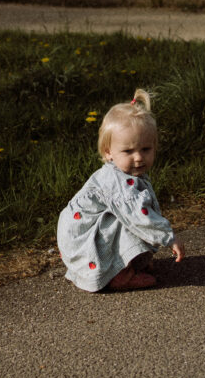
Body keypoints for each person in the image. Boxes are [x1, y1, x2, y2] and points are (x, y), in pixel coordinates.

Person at [57, 89, 184, 292]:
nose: (138, 158)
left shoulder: (128, 174)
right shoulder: (116, 181)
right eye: (128, 151)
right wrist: (169, 237)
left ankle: (130, 260)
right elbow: (140, 217)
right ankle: (119, 275)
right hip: (83, 241)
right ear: (108, 152)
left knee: (129, 214)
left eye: (145, 149)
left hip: (83, 235)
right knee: (132, 216)